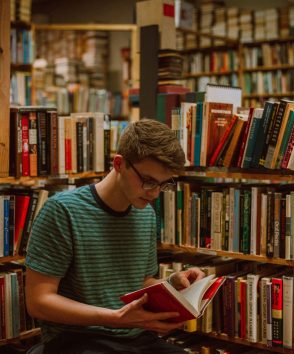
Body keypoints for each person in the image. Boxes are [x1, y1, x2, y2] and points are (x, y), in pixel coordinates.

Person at [25, 118, 205, 354]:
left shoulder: (146, 214)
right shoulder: (63, 211)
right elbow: (38, 302)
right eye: (148, 181)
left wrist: (172, 284)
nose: (154, 193)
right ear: (119, 164)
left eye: (163, 184)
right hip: (77, 338)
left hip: (136, 337)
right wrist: (115, 318)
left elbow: (142, 282)